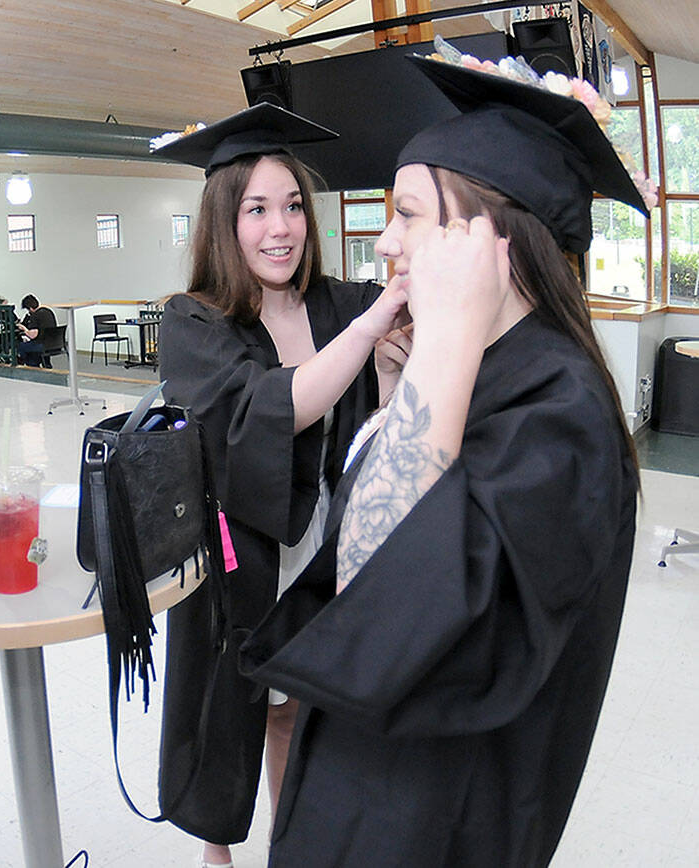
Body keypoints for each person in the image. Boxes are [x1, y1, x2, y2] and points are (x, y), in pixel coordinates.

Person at [237, 48, 644, 866]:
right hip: (366, 782)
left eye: (409, 214)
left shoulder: (565, 418)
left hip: (429, 825)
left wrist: (447, 341)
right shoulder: (489, 367)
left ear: (491, 238)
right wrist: (409, 376)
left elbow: (376, 582)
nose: (384, 241)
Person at [152, 102, 408, 868]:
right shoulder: (195, 321)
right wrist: (369, 335)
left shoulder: (336, 303)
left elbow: (379, 424)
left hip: (324, 543)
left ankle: (290, 845)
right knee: (228, 704)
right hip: (240, 549)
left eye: (293, 205)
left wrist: (389, 364)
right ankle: (215, 851)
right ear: (224, 223)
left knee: (296, 706)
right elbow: (271, 409)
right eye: (257, 208)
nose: (281, 227)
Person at [16, 293, 56, 367]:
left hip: (42, 345)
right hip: (54, 344)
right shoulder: (48, 311)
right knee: (31, 349)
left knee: (20, 346)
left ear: (30, 308)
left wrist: (23, 328)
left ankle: (30, 364)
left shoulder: (35, 315)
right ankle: (43, 364)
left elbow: (33, 336)